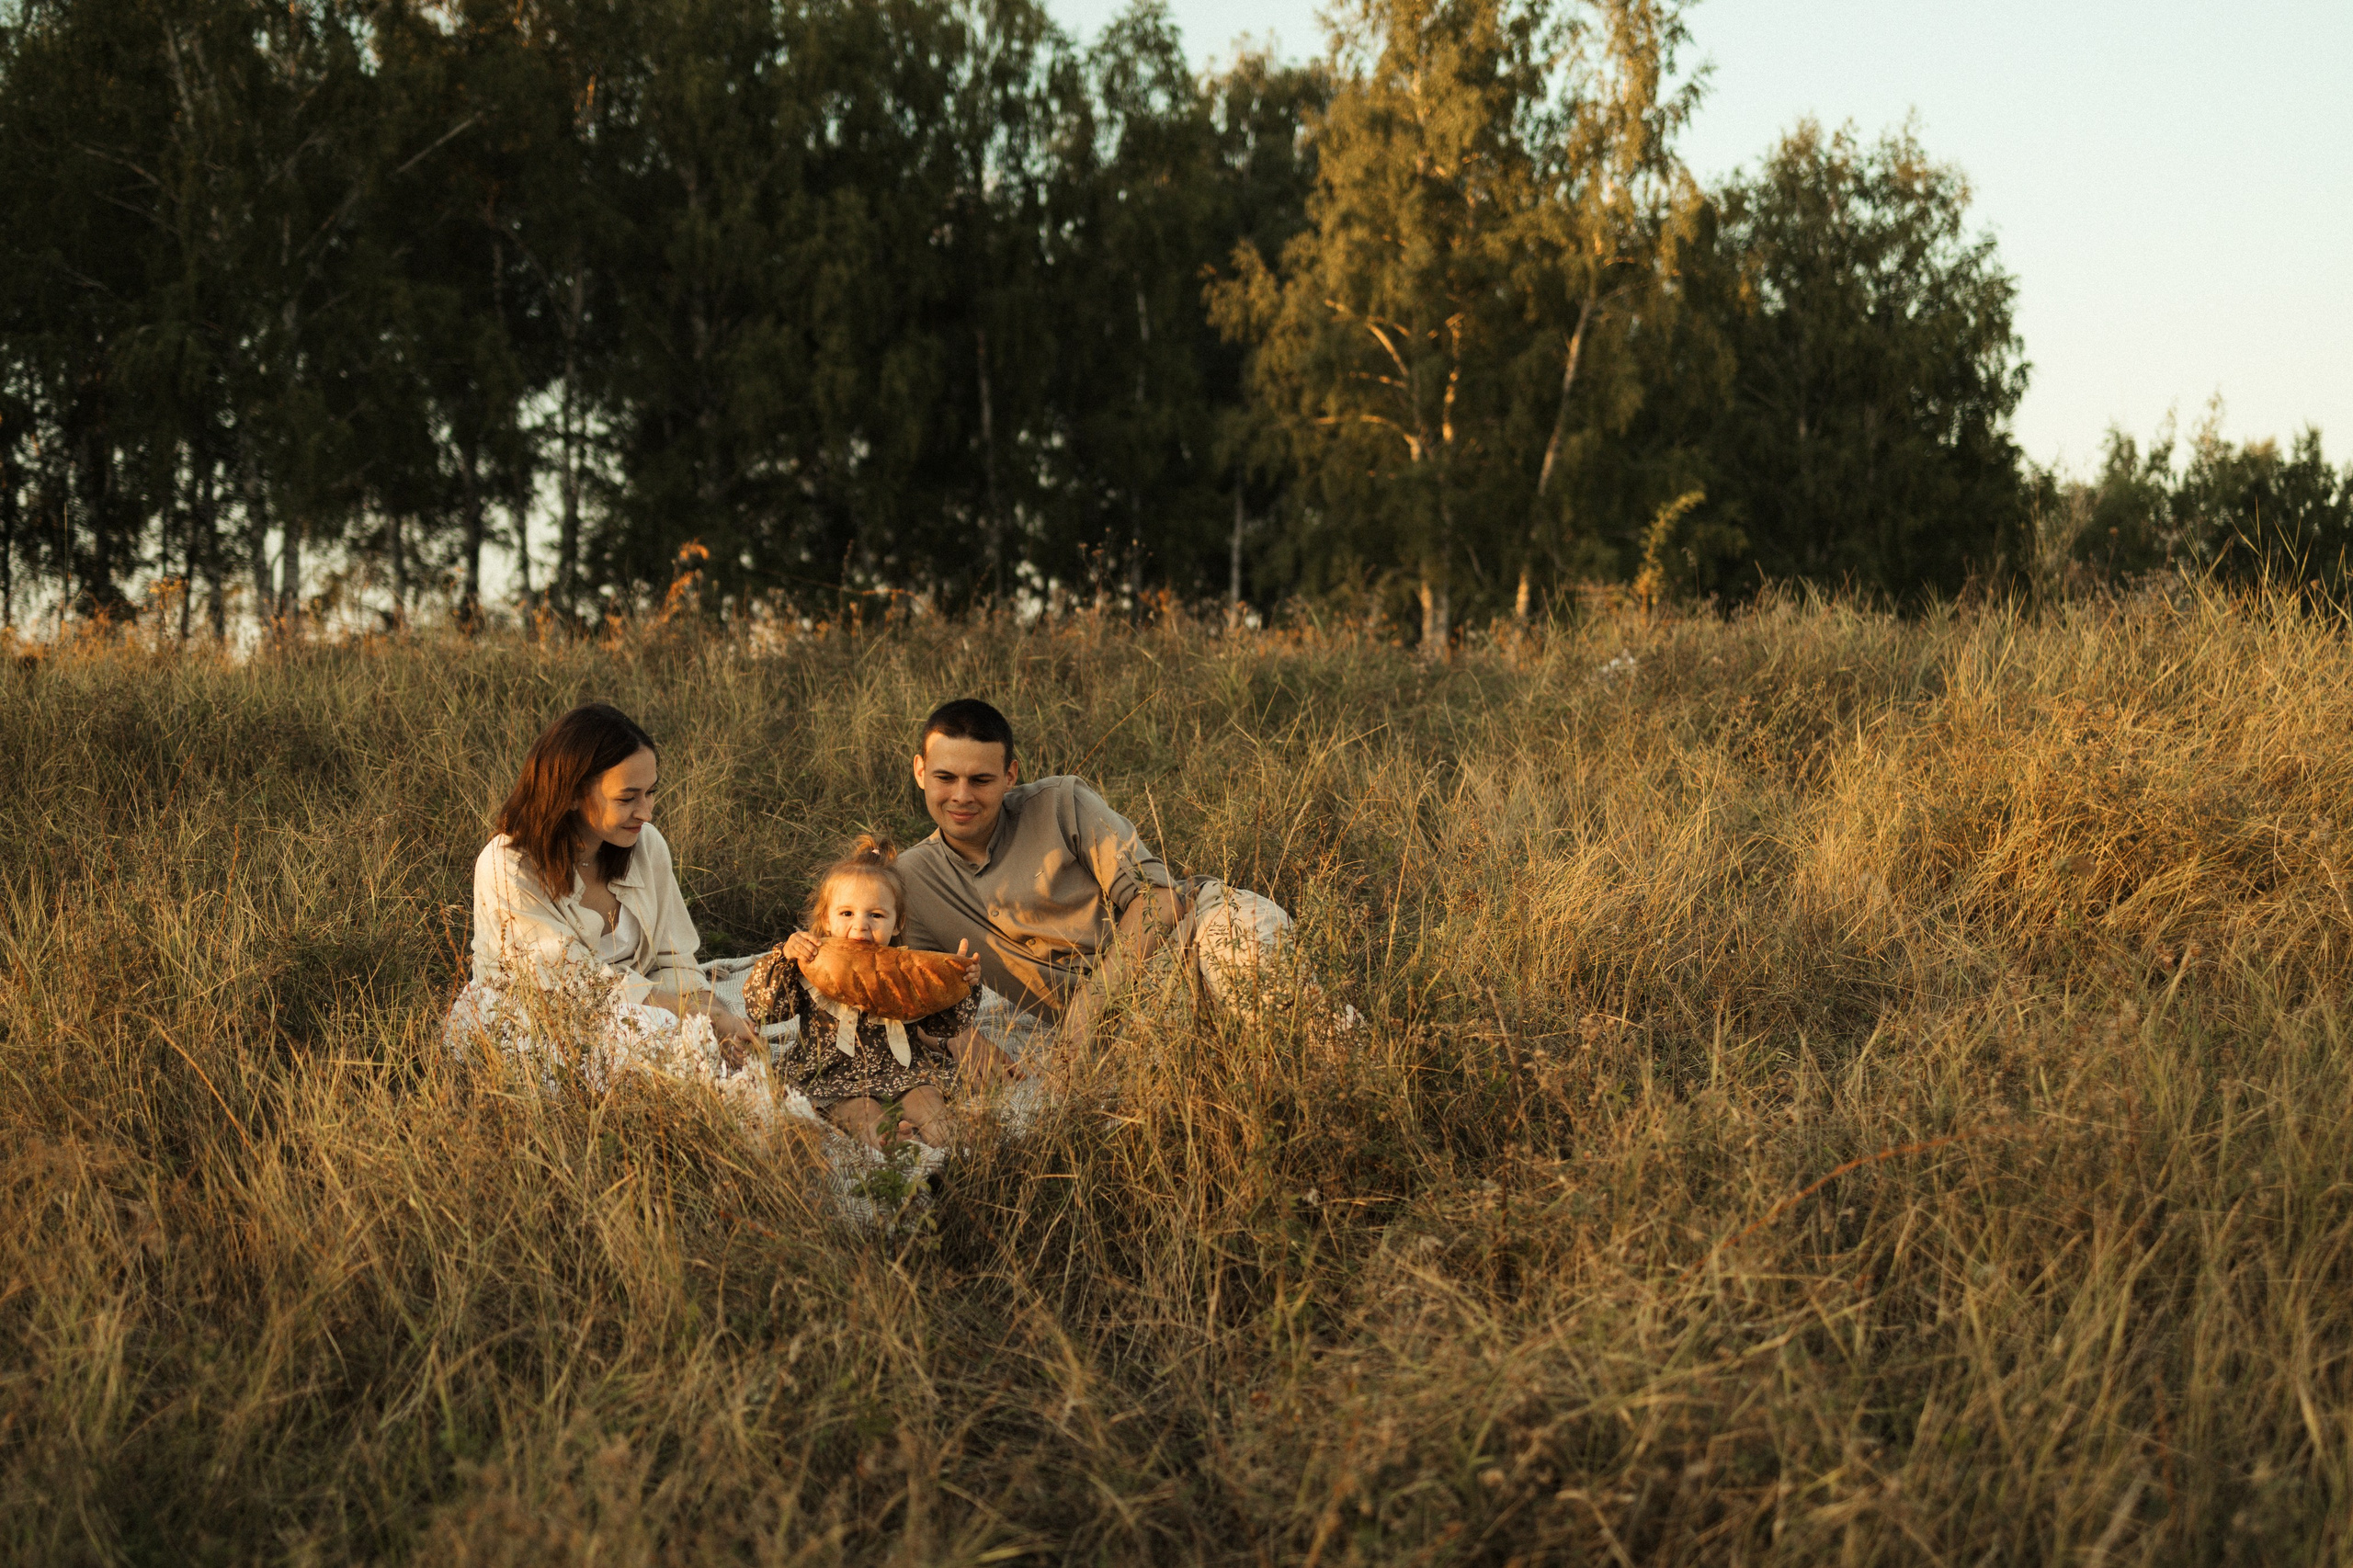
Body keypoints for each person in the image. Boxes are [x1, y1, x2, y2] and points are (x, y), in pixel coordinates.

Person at [895, 699, 1295, 1057]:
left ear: (1010, 775)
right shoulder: (911, 879)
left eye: (980, 780)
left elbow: (1159, 899)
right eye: (945, 778)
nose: (961, 796)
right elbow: (912, 993)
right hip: (1114, 1022)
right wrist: (963, 1039)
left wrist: (1090, 1002)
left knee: (1303, 1028)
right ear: (920, 771)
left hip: (1195, 934)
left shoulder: (1060, 802)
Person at [447, 702, 783, 1127]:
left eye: (651, 792)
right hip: (540, 1019)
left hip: (644, 1008)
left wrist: (708, 1008)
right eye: (627, 798)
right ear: (570, 794)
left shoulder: (646, 845)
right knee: (667, 1057)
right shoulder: (507, 865)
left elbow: (673, 958)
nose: (646, 812)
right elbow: (575, 990)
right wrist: (700, 1015)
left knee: (724, 1051)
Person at [740, 835, 1004, 1151]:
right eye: (847, 914)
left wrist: (961, 984)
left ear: (897, 923)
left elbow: (942, 1026)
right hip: (832, 1071)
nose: (861, 926)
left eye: (876, 915)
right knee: (861, 1111)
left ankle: (957, 1147)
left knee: (928, 1101)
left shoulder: (904, 969)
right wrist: (784, 958)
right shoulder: (810, 961)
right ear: (826, 919)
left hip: (902, 1067)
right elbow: (764, 1009)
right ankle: (890, 1142)